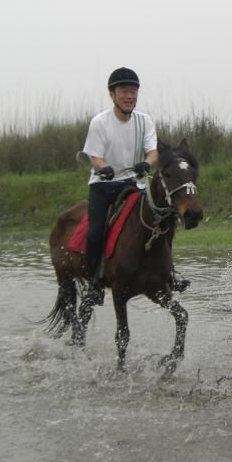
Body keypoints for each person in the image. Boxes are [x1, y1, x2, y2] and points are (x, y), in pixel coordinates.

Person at [82, 67, 158, 305]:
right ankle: (93, 282)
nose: (129, 96)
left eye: (133, 91)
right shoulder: (100, 122)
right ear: (112, 94)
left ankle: (168, 275)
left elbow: (153, 152)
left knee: (161, 222)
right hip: (103, 186)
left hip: (133, 185)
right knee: (95, 233)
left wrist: (146, 164)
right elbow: (95, 156)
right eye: (124, 90)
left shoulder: (144, 121)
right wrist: (103, 167)